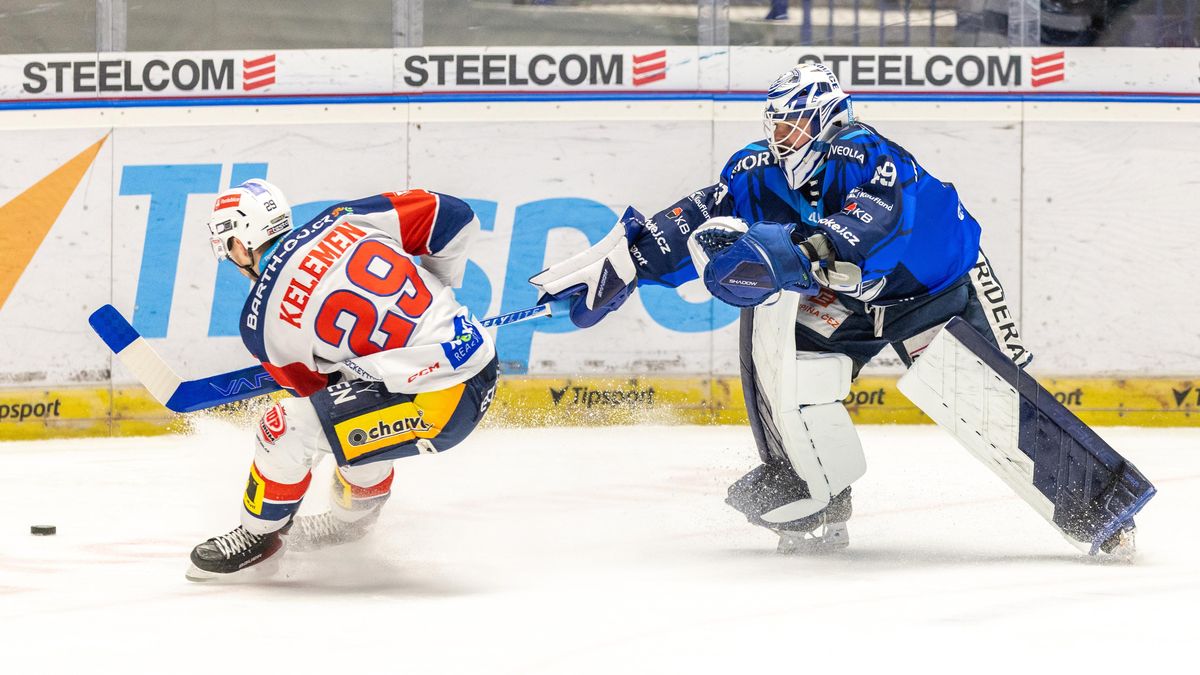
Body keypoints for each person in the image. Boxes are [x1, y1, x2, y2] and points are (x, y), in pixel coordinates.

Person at [530, 62, 1054, 554]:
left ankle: (1090, 502)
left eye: (795, 124)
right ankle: (817, 494)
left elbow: (879, 219)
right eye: (777, 125)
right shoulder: (758, 171)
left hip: (935, 293)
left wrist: (807, 250)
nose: (783, 137)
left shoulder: (864, 152)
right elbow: (700, 216)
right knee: (791, 373)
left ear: (829, 119)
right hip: (849, 302)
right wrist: (629, 263)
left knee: (995, 407)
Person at [189, 180, 497, 580]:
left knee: (286, 427)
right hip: (480, 359)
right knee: (352, 410)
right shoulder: (344, 218)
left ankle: (260, 535)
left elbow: (314, 391)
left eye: (228, 245)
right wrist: (441, 290)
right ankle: (351, 521)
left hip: (438, 405)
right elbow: (455, 217)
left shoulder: (260, 321)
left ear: (241, 242)